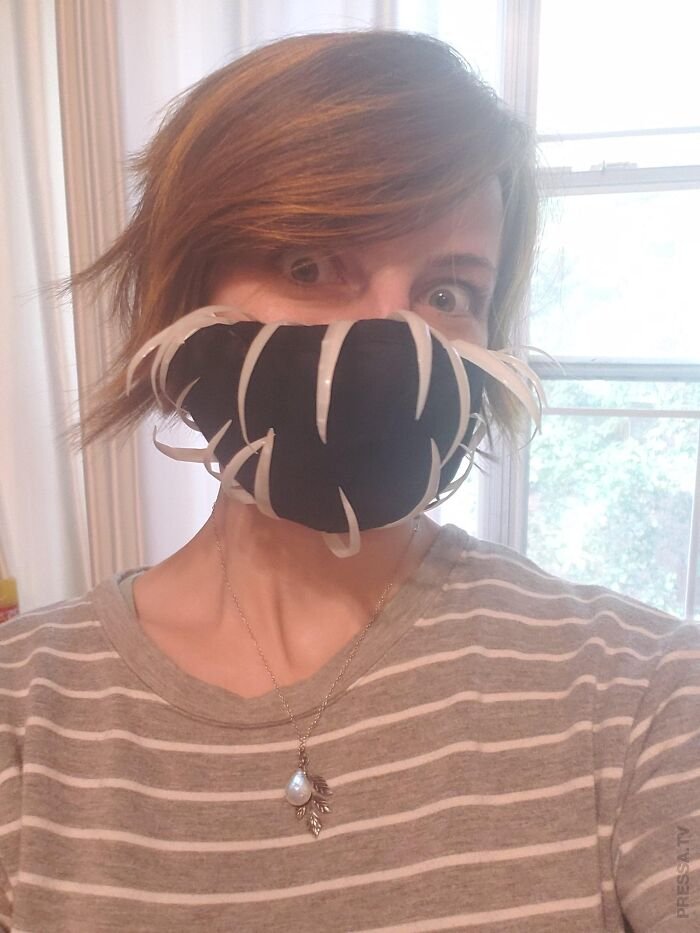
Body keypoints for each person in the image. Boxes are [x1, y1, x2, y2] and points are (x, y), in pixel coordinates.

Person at [0, 30, 697, 933]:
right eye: (309, 265)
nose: (391, 338)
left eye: (447, 293)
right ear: (182, 295)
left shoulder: (643, 695)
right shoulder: (25, 714)